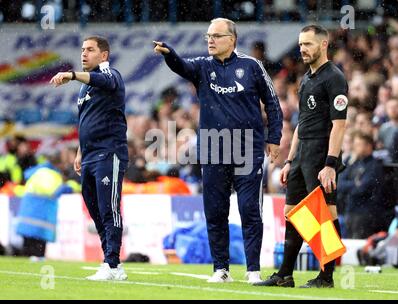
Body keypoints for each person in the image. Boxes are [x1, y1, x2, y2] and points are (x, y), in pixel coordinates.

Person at [154, 18, 283, 284]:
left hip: (248, 148)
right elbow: (180, 66)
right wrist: (169, 53)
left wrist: (274, 138)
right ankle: (220, 269)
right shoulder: (202, 66)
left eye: (216, 35)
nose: (210, 40)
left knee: (249, 210)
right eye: (208, 36)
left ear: (232, 39)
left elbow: (272, 103)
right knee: (215, 211)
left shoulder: (252, 66)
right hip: (212, 148)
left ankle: (253, 270)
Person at [254, 25, 348, 288]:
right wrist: (289, 161)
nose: (302, 49)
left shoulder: (335, 78)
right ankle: (285, 274)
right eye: (300, 44)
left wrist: (330, 164)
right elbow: (301, 124)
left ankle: (326, 276)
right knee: (293, 212)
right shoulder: (306, 79)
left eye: (308, 44)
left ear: (323, 45)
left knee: (325, 213)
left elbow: (340, 125)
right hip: (302, 153)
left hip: (321, 153)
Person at [50, 36, 128, 281]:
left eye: (90, 50)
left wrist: (71, 75)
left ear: (103, 55)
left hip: (110, 152)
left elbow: (102, 79)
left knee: (109, 209)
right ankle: (112, 263)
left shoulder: (111, 75)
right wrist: (79, 152)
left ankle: (112, 263)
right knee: (95, 210)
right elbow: (85, 120)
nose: (84, 54)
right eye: (82, 49)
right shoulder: (85, 88)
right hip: (90, 156)